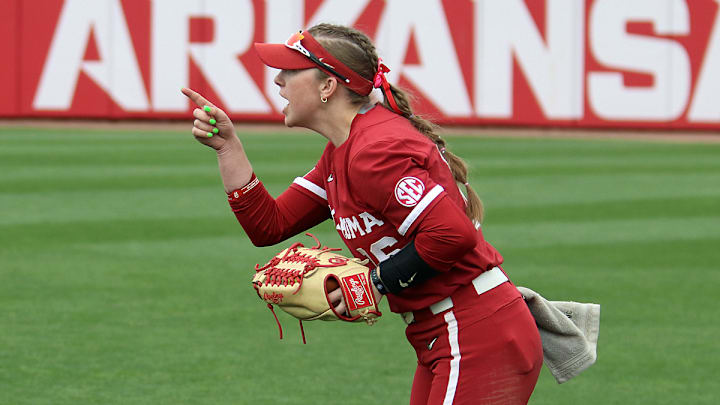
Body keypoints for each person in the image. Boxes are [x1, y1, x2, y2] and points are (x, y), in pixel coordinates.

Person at [181, 23, 543, 405]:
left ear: (327, 86)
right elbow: (269, 225)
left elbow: (452, 236)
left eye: (290, 70)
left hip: (473, 331)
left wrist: (375, 280)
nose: (278, 81)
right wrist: (228, 149)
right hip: (446, 333)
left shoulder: (374, 150)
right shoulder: (344, 150)